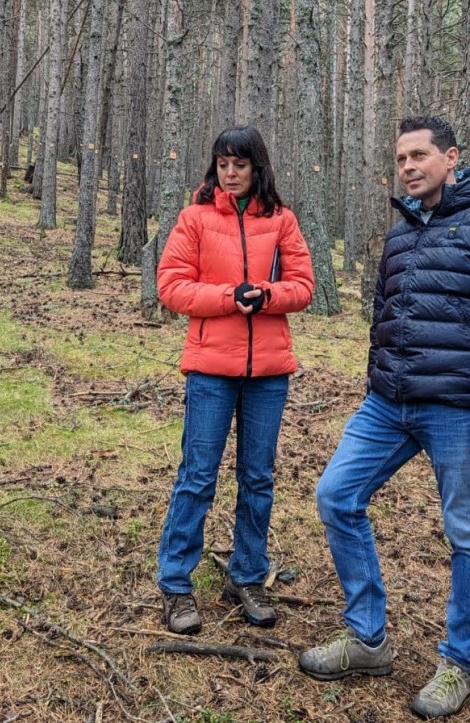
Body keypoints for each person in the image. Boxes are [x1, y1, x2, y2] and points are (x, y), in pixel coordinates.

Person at [299, 116, 470, 719]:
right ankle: (367, 639)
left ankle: (458, 663)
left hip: (459, 412)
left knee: (467, 532)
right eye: (401, 158)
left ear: (450, 158)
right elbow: (384, 315)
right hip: (389, 404)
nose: (408, 167)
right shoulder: (401, 233)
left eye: (419, 156)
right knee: (336, 495)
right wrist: (378, 380)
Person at [155, 125, 314, 636]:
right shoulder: (195, 218)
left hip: (268, 372)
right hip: (209, 369)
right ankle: (176, 584)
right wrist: (229, 297)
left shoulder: (282, 221)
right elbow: (172, 286)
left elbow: (304, 285)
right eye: (222, 164)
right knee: (198, 475)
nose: (230, 174)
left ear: (257, 167)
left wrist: (267, 295)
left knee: (258, 478)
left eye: (239, 165)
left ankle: (247, 576)